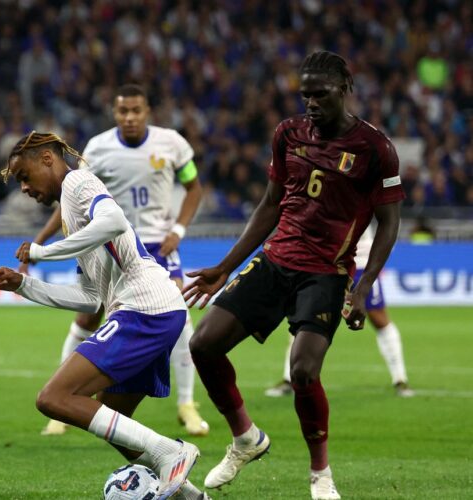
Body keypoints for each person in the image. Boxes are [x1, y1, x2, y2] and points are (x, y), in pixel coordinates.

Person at [183, 51, 404, 500]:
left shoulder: (375, 148)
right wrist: (225, 268)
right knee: (203, 344)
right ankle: (245, 438)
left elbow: (390, 223)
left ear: (344, 89)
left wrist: (362, 288)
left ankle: (320, 474)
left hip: (326, 273)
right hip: (276, 259)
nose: (311, 104)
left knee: (303, 371)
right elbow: (270, 204)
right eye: (305, 95)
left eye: (319, 95)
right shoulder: (288, 133)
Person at [0, 132, 205, 500]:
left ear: (48, 159)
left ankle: (171, 452)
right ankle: (190, 496)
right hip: (152, 310)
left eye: (24, 175)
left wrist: (43, 252)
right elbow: (88, 299)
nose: (23, 187)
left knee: (53, 397)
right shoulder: (72, 216)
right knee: (115, 425)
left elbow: (114, 219)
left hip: (144, 308)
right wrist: (23, 284)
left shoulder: (77, 181)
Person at [23, 84, 208, 437]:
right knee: (86, 317)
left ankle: (187, 403)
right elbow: (69, 196)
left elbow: (193, 186)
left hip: (158, 244)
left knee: (180, 318)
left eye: (136, 110)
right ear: (114, 112)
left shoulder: (172, 144)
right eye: (123, 111)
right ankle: (62, 406)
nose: (130, 117)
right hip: (110, 245)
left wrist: (180, 230)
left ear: (147, 111)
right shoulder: (98, 149)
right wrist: (42, 238)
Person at [265, 224, 414, 398]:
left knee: (379, 319)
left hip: (359, 264)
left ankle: (400, 379)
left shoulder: (362, 197)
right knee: (303, 320)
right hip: (323, 265)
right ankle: (289, 379)